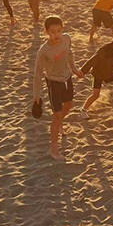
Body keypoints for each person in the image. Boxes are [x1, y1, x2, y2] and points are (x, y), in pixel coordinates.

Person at [31, 16, 83, 160]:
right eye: (53, 32)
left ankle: (59, 123)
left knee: (69, 105)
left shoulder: (66, 39)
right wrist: (36, 96)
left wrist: (74, 69)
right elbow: (38, 73)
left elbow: (69, 53)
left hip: (67, 78)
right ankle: (54, 149)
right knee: (57, 116)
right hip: (54, 83)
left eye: (59, 31)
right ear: (46, 31)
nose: (56, 35)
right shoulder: (44, 51)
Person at [79, 30, 113, 120]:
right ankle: (83, 110)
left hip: (110, 72)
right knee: (96, 95)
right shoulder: (103, 51)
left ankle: (112, 94)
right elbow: (92, 61)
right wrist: (83, 72)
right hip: (98, 74)